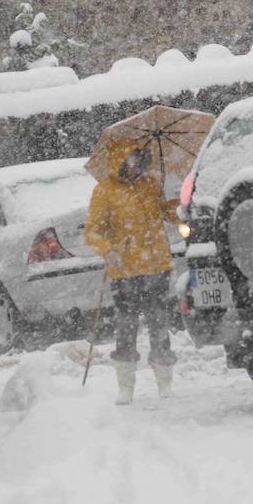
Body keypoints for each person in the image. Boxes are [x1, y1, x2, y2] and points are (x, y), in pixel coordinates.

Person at [85, 140, 180, 405]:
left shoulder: (151, 185)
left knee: (159, 324)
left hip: (157, 265)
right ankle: (125, 387)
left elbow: (166, 213)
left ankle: (165, 382)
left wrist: (179, 210)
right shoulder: (105, 191)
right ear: (121, 161)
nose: (140, 165)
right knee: (126, 328)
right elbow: (92, 231)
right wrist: (107, 250)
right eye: (134, 160)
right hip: (124, 271)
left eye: (142, 160)